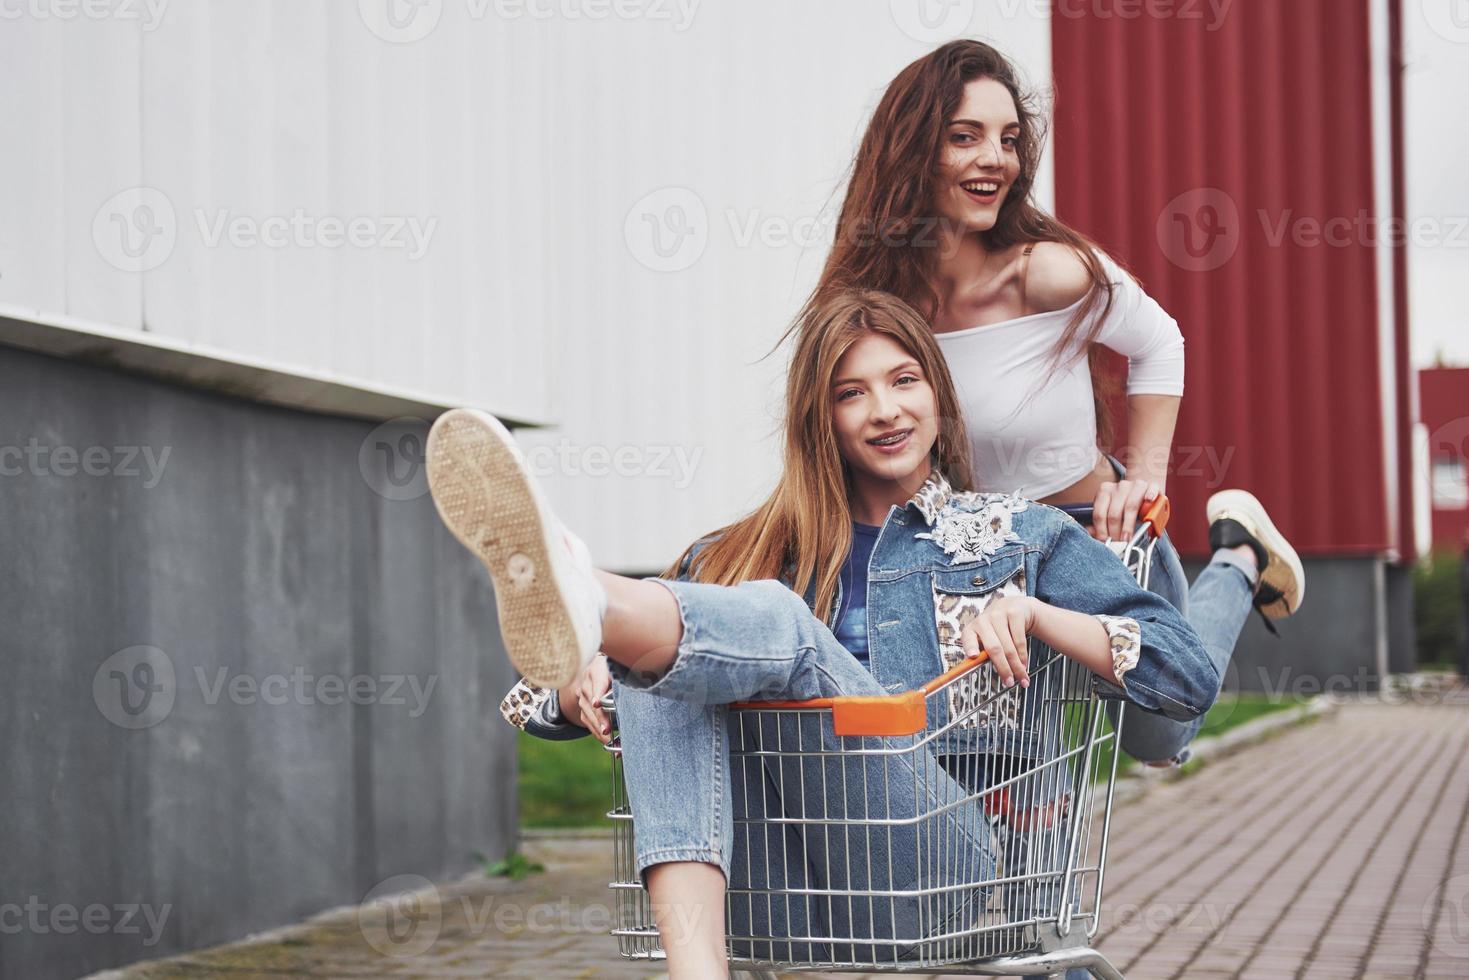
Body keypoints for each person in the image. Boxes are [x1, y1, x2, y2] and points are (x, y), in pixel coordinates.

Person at [428, 289, 1219, 978]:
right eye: (852, 393)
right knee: (668, 658)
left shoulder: (1019, 535)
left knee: (770, 624)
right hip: (766, 887)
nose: (884, 410)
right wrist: (574, 688)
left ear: (936, 394)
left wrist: (1039, 614)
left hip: (938, 877)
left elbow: (1186, 673)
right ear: (821, 418)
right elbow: (530, 698)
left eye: (903, 381)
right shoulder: (736, 552)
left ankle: (595, 597)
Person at [800, 38, 1306, 766]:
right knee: (996, 766)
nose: (994, 159)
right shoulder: (874, 309)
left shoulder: (1046, 273)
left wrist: (1147, 482)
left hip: (1093, 544)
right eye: (964, 137)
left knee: (1159, 737)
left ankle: (1237, 560)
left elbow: (1160, 342)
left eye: (1007, 140)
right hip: (974, 569)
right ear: (912, 149)